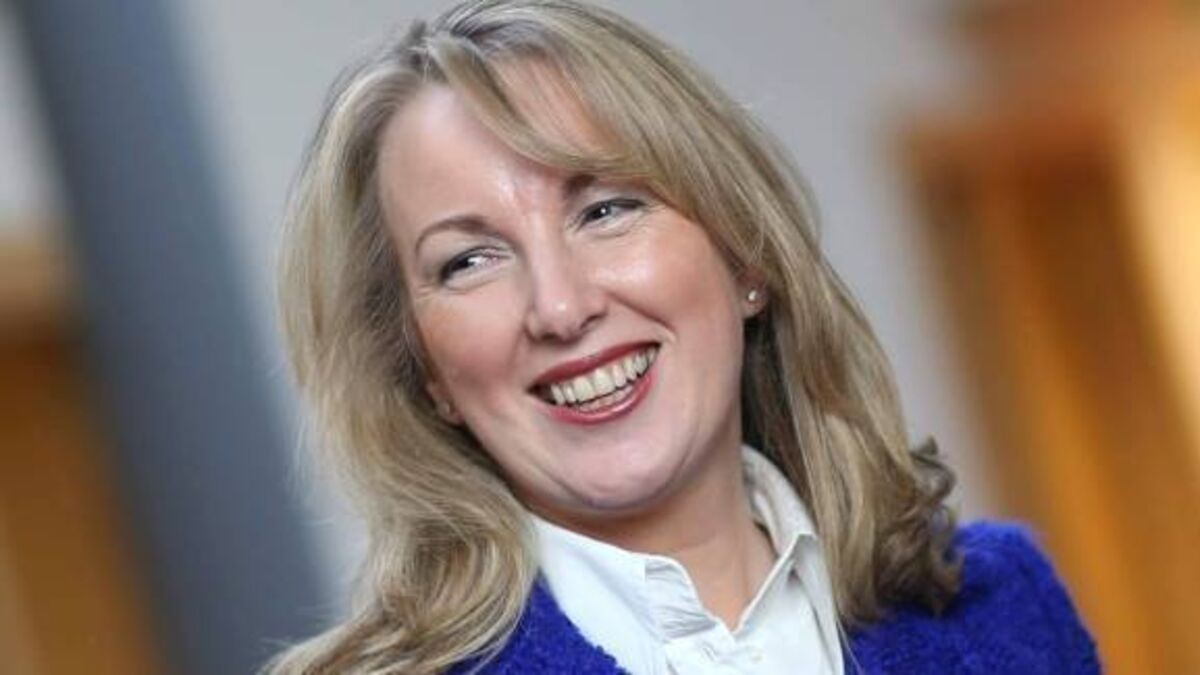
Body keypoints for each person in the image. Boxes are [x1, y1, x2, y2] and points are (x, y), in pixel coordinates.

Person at [268, 1, 1100, 673]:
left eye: (606, 209)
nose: (559, 307)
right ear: (423, 369)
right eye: (470, 261)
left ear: (744, 254)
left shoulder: (1007, 607)